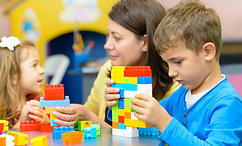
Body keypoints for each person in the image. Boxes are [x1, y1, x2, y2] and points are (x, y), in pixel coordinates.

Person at [124, 0, 242, 145]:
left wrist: (164, 122)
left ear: (207, 51)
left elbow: (163, 123)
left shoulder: (228, 103)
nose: (171, 73)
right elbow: (145, 126)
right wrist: (121, 103)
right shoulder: (182, 95)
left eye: (178, 61)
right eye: (167, 64)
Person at [52, 0, 180, 128]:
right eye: (109, 35)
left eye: (117, 38)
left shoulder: (176, 85)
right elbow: (87, 114)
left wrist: (90, 118)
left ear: (145, 42)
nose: (107, 45)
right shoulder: (108, 68)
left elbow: (149, 139)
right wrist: (68, 116)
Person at [0, 36, 50, 128]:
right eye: (34, 65)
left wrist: (46, 122)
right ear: (13, 75)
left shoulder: (40, 103)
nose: (42, 70)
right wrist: (20, 124)